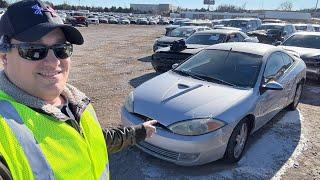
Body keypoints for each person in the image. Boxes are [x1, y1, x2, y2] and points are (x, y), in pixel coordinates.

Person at [0, 0, 157, 179]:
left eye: (61, 49)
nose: (54, 62)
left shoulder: (76, 101)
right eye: (33, 50)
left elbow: (90, 140)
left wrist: (138, 132)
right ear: (4, 57)